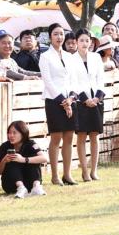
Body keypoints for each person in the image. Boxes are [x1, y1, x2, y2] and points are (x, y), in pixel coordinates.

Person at [40, 22, 78, 186]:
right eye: (56, 34)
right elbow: (48, 81)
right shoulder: (45, 56)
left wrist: (70, 99)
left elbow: (74, 80)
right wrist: (63, 101)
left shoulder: (70, 57)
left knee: (69, 137)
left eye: (61, 34)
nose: (59, 37)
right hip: (54, 101)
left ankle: (67, 174)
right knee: (56, 138)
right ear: (50, 37)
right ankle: (55, 175)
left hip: (70, 100)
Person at [72, 28, 106, 181]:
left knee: (94, 136)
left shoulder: (96, 58)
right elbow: (73, 82)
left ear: (91, 42)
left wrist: (97, 98)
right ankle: (84, 171)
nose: (85, 43)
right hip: (80, 102)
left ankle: (94, 170)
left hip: (97, 101)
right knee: (81, 136)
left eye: (87, 40)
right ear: (76, 42)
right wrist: (85, 99)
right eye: (81, 41)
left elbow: (101, 79)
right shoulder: (70, 59)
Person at [0, 121, 48, 198]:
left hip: (29, 183)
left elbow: (44, 158)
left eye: (14, 133)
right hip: (11, 185)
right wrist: (4, 160)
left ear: (23, 134)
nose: (11, 135)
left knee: (34, 158)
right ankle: (21, 188)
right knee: (12, 158)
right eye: (9, 133)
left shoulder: (31, 143)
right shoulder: (4, 146)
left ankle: (36, 187)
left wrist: (23, 159)